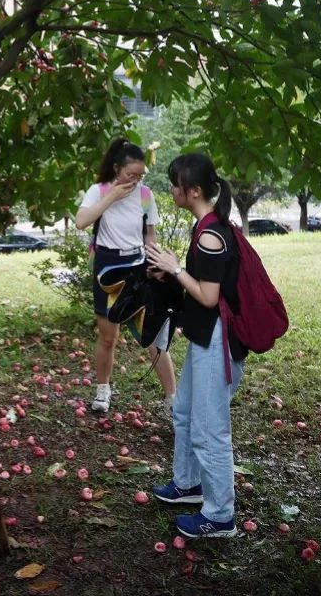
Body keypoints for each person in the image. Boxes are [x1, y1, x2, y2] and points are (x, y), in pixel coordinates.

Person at [146, 153, 247, 539]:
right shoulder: (209, 227)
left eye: (175, 184)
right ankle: (189, 485)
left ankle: (220, 516)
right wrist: (170, 274)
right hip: (207, 335)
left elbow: (207, 296)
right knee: (186, 411)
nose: (171, 189)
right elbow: (203, 288)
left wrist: (174, 268)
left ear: (195, 191)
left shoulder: (209, 235)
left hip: (218, 341)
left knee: (209, 429)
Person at [75, 137, 176, 414]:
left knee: (153, 335)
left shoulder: (145, 196)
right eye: (130, 174)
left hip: (138, 266)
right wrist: (112, 196)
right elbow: (81, 222)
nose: (135, 179)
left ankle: (172, 401)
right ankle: (103, 390)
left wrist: (156, 263)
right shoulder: (99, 190)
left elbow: (150, 237)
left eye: (140, 175)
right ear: (117, 168)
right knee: (108, 337)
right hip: (107, 267)